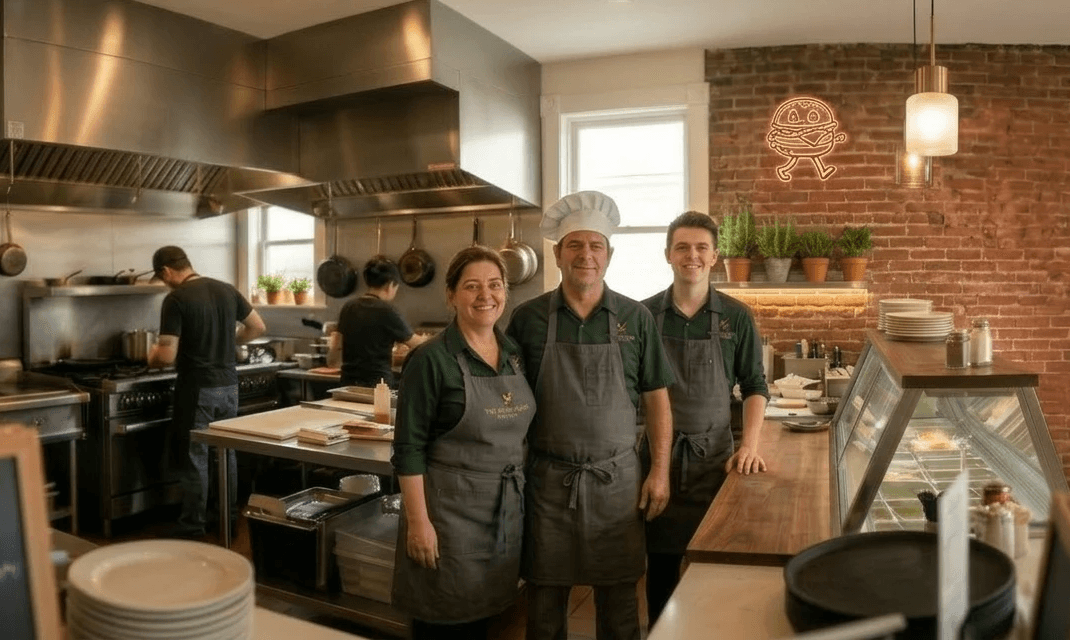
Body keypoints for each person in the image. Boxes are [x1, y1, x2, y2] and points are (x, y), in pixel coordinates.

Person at [506, 191, 675, 640]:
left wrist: (659, 471)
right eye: (575, 245)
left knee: (620, 607)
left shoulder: (636, 318)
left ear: (610, 254)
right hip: (547, 481)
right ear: (558, 254)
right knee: (544, 605)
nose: (586, 255)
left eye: (596, 246)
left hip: (617, 481)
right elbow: (506, 400)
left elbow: (658, 399)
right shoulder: (528, 319)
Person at [391, 246, 535, 640]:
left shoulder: (513, 355)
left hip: (500, 514)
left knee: (483, 622)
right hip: (448, 518)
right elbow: (408, 449)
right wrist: (419, 523)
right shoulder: (431, 360)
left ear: (505, 291)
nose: (485, 295)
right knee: (444, 623)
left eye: (494, 285)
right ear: (451, 295)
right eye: (472, 286)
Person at [640, 211, 769, 625]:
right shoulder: (642, 317)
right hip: (655, 461)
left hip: (715, 462)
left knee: (711, 566)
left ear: (715, 257)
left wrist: (749, 444)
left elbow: (755, 386)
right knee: (660, 567)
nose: (691, 256)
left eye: (701, 248)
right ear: (667, 254)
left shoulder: (737, 317)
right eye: (682, 247)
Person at [146, 246, 266, 537]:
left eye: (162, 279)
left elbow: (165, 356)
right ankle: (226, 519)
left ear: (166, 272)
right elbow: (258, 327)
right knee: (226, 453)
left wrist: (148, 356)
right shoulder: (225, 289)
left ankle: (193, 526)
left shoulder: (175, 299)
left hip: (197, 388)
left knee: (195, 455)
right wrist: (230, 340)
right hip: (228, 385)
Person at [330, 255, 427, 388]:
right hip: (376, 386)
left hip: (348, 383)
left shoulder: (349, 307)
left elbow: (336, 347)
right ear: (390, 285)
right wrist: (428, 339)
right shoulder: (387, 310)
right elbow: (416, 344)